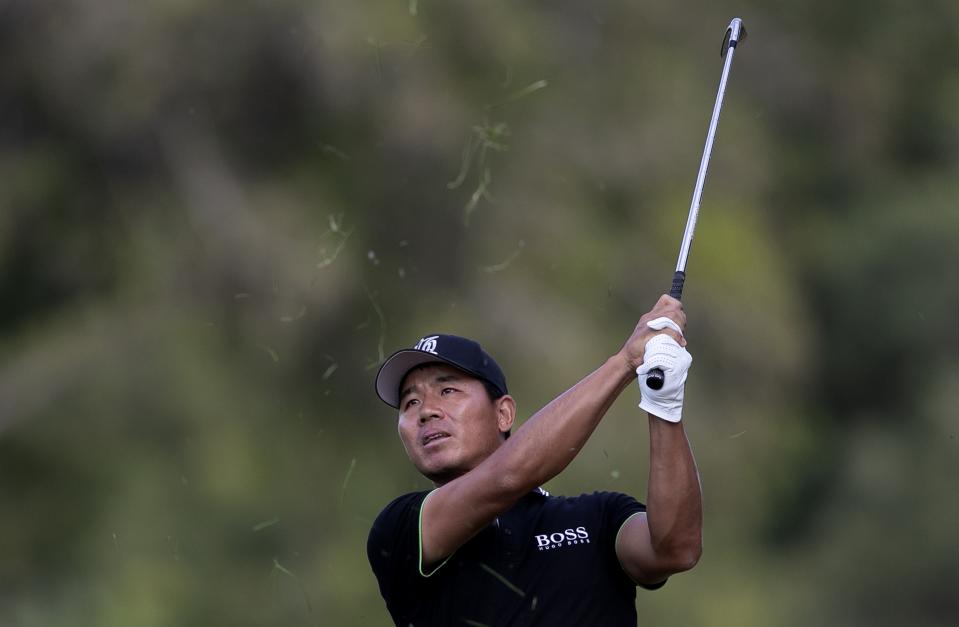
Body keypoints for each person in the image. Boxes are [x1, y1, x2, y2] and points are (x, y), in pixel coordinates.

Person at [367, 295, 702, 626]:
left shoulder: (600, 519)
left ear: (504, 414)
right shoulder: (403, 529)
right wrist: (625, 361)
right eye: (410, 403)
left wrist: (664, 404)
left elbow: (676, 550)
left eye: (448, 391)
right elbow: (507, 477)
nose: (426, 411)